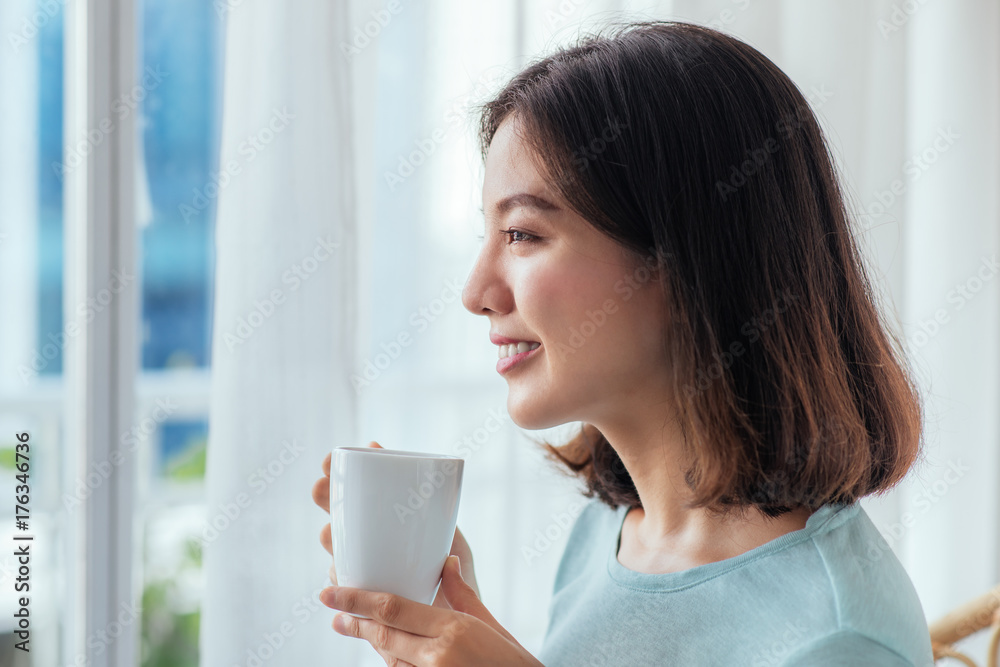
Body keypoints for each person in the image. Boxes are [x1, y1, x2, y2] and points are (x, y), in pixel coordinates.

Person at [313, 20, 936, 666]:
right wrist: (454, 622)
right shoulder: (607, 539)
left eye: (523, 234)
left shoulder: (837, 638)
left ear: (687, 261)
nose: (476, 292)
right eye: (487, 235)